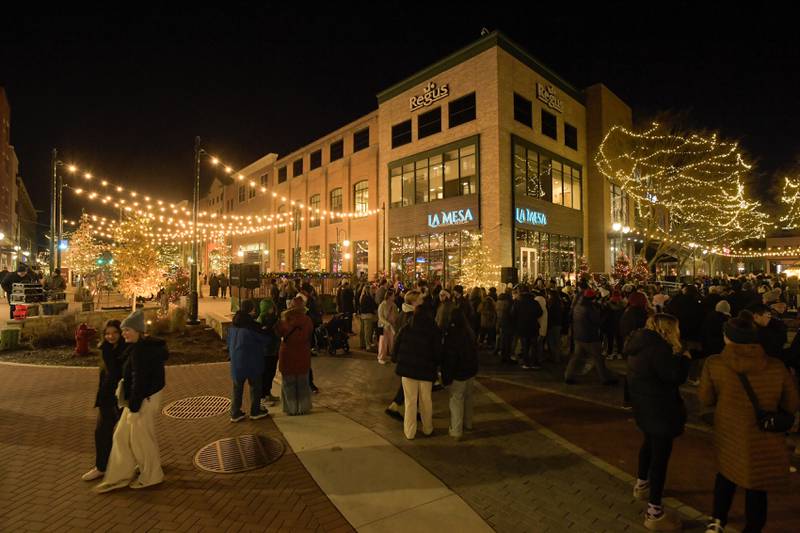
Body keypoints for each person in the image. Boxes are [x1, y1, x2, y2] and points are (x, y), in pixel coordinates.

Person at [699, 315, 799, 533]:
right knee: (757, 485)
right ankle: (753, 528)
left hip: (729, 432)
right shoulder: (775, 366)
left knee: (725, 476)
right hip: (764, 435)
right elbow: (791, 403)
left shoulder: (714, 364)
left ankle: (717, 521)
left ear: (728, 338)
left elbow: (706, 400)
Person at [625, 314, 691, 531]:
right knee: (660, 458)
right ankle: (654, 511)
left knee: (648, 444)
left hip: (644, 407)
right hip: (660, 409)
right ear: (667, 329)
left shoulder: (639, 345)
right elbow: (673, 376)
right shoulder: (659, 350)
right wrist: (684, 360)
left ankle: (642, 483)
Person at [94, 309, 168, 493]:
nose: (124, 333)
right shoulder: (137, 348)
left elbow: (139, 381)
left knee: (141, 439)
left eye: (128, 330)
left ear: (138, 332)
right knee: (122, 436)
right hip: (138, 400)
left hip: (143, 400)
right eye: (124, 330)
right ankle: (124, 471)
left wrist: (134, 407)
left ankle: (151, 475)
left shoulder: (141, 351)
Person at [82, 320, 127, 482]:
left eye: (114, 332)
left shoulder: (126, 349)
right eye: (107, 333)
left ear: (121, 333)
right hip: (107, 398)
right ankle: (101, 467)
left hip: (123, 398)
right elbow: (105, 378)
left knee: (128, 435)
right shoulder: (105, 349)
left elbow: (117, 373)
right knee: (101, 432)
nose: (111, 336)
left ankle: (139, 464)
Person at [392, 297, 441, 440]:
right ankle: (427, 428)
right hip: (426, 371)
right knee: (426, 400)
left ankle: (410, 431)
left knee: (410, 401)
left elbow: (397, 344)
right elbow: (438, 351)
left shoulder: (407, 327)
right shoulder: (433, 329)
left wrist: (395, 359)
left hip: (408, 371)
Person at [227, 300, 270, 422]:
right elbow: (265, 339)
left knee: (237, 388)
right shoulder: (251, 327)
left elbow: (228, 343)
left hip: (236, 362)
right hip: (252, 362)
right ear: (251, 310)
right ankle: (255, 411)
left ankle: (235, 413)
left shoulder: (233, 325)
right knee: (256, 387)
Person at [564, 289, 618, 385]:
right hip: (590, 337)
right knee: (598, 358)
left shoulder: (577, 306)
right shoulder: (590, 308)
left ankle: (568, 375)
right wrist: (604, 314)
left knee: (576, 357)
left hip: (578, 335)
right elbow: (597, 322)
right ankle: (604, 379)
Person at [442, 307, 478, 440]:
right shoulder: (469, 333)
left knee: (457, 401)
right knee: (468, 399)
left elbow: (450, 359)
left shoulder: (451, 335)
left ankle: (456, 430)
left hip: (458, 374)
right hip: (470, 372)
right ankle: (468, 424)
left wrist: (446, 378)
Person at [277, 296, 314, 415]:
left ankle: (291, 408)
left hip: (287, 354)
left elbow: (278, 333)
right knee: (303, 383)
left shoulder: (284, 320)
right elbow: (309, 334)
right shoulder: (307, 320)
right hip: (302, 354)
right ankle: (303, 407)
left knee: (288, 383)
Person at [511, 285, 543, 370]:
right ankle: (534, 362)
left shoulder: (517, 303)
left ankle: (526, 363)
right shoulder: (535, 302)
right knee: (534, 345)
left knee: (525, 346)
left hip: (522, 326)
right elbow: (540, 313)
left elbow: (513, 314)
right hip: (533, 326)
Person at [256, 295, 280, 406]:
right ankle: (262, 396)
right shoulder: (261, 320)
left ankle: (267, 393)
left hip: (273, 350)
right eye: (271, 307)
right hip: (265, 352)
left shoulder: (273, 319)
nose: (273, 309)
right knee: (265, 374)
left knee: (271, 373)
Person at [377, 288, 398, 365]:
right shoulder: (382, 305)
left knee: (392, 341)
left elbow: (396, 315)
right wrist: (387, 324)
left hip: (392, 326)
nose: (394, 297)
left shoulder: (394, 305)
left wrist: (394, 321)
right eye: (393, 295)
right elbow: (380, 317)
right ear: (389, 296)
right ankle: (381, 357)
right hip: (383, 326)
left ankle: (392, 356)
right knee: (383, 342)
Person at [358, 284, 378, 350]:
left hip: (363, 315)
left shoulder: (363, 297)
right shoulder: (368, 297)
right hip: (368, 316)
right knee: (367, 331)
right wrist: (374, 311)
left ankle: (363, 344)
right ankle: (367, 345)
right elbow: (372, 306)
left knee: (363, 331)